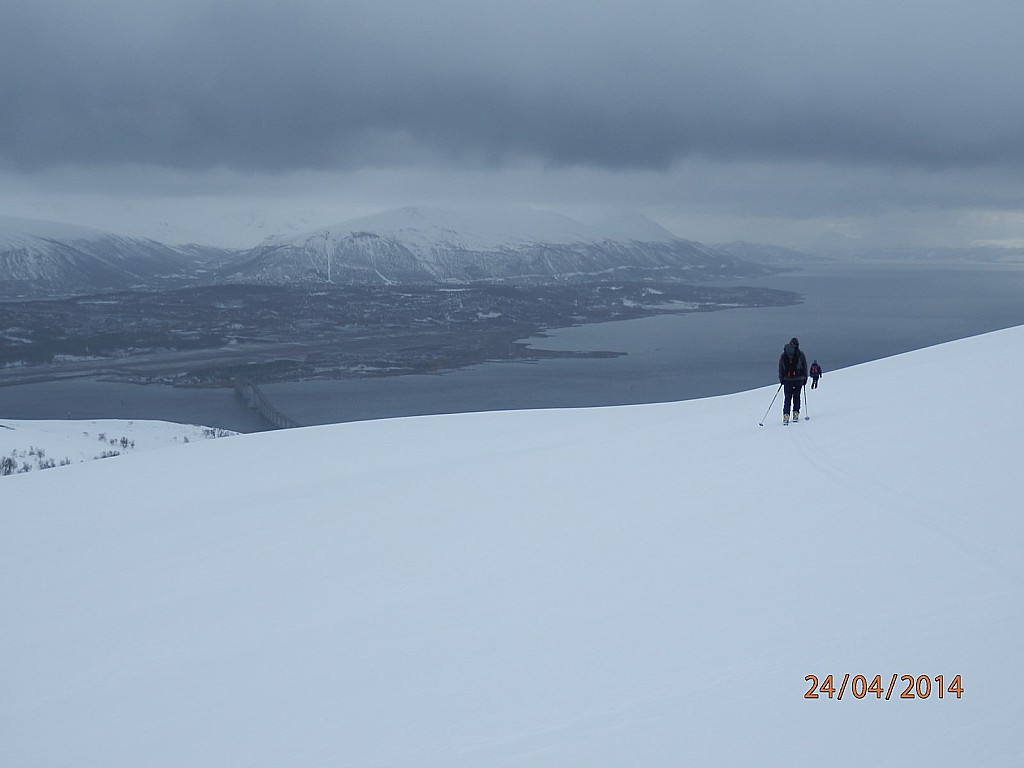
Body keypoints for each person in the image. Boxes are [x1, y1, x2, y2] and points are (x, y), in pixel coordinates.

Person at [778, 337, 808, 425]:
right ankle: (795, 414)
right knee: (796, 397)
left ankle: (786, 415)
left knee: (787, 398)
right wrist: (805, 378)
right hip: (798, 379)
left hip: (787, 380)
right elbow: (804, 367)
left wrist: (782, 379)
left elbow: (780, 368)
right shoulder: (801, 354)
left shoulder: (784, 355)